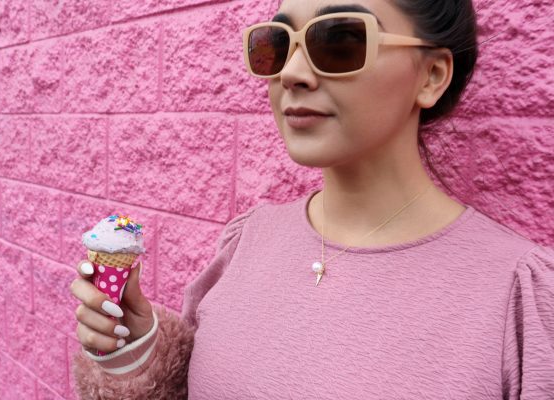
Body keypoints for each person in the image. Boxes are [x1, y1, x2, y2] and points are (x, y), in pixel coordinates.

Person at [69, 1, 554, 399]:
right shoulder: (247, 239)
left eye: (339, 40)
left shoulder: (519, 298)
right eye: (276, 46)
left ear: (431, 75)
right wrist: (135, 350)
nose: (293, 73)